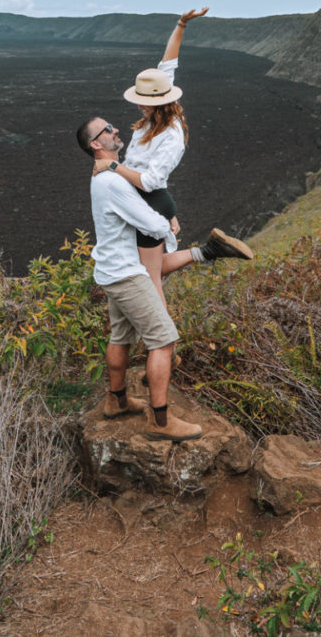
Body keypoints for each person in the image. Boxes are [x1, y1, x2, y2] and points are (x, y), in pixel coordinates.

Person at [77, 115, 252, 441]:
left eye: (112, 125)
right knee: (164, 341)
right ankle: (159, 422)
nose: (116, 130)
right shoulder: (112, 181)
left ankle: (116, 401)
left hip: (112, 270)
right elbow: (153, 226)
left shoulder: (105, 177)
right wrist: (167, 223)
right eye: (107, 130)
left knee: (121, 336)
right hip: (129, 276)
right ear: (96, 144)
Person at [94, 7, 252, 298]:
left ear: (160, 101)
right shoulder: (156, 114)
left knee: (150, 279)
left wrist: (111, 166)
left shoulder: (171, 136)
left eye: (144, 102)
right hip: (145, 201)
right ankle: (207, 252)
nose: (139, 105)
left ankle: (164, 340)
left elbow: (151, 182)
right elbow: (168, 63)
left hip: (150, 199)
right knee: (145, 268)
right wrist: (181, 24)